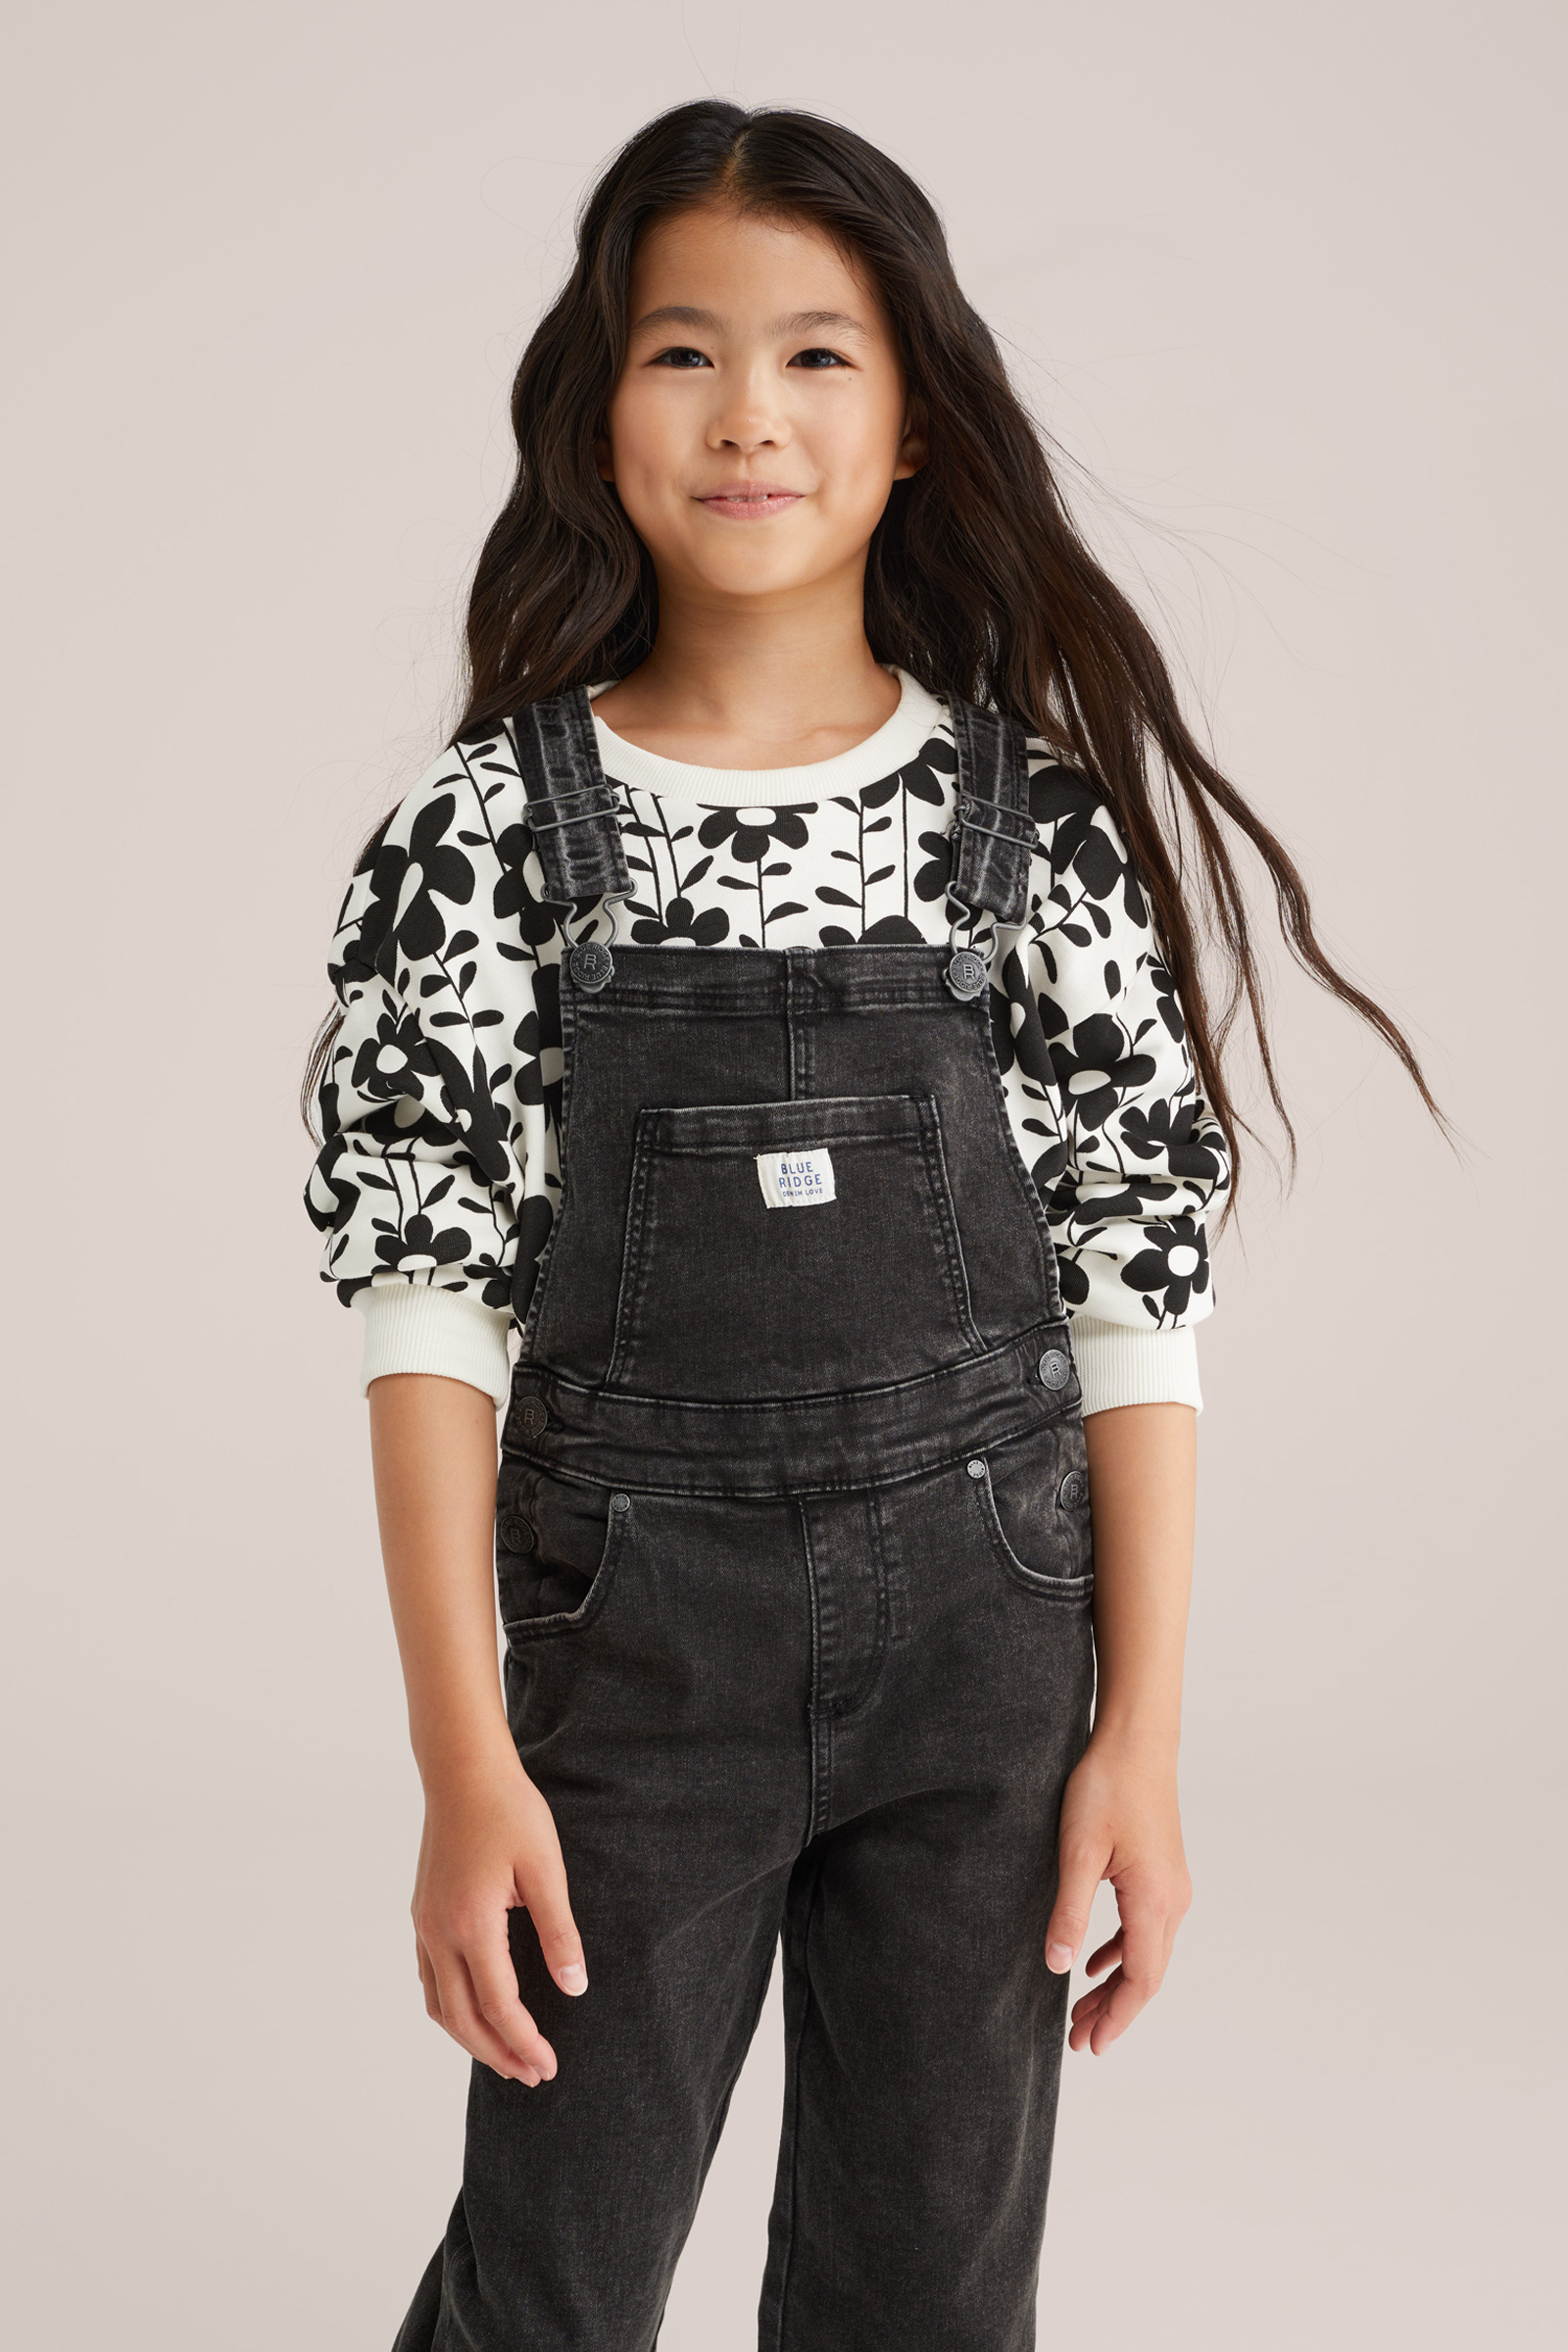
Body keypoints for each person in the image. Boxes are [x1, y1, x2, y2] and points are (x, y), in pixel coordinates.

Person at [303, 100, 1446, 2352]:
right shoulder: (486, 835)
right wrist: (462, 1762)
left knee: (925, 2283)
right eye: (682, 352)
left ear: (912, 420)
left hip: (981, 1669)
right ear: (596, 411)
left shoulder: (1026, 828)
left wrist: (1138, 1738)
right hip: (637, 1667)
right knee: (549, 2281)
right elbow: (424, 1296)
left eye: (815, 355)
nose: (748, 412)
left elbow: (1131, 1295)